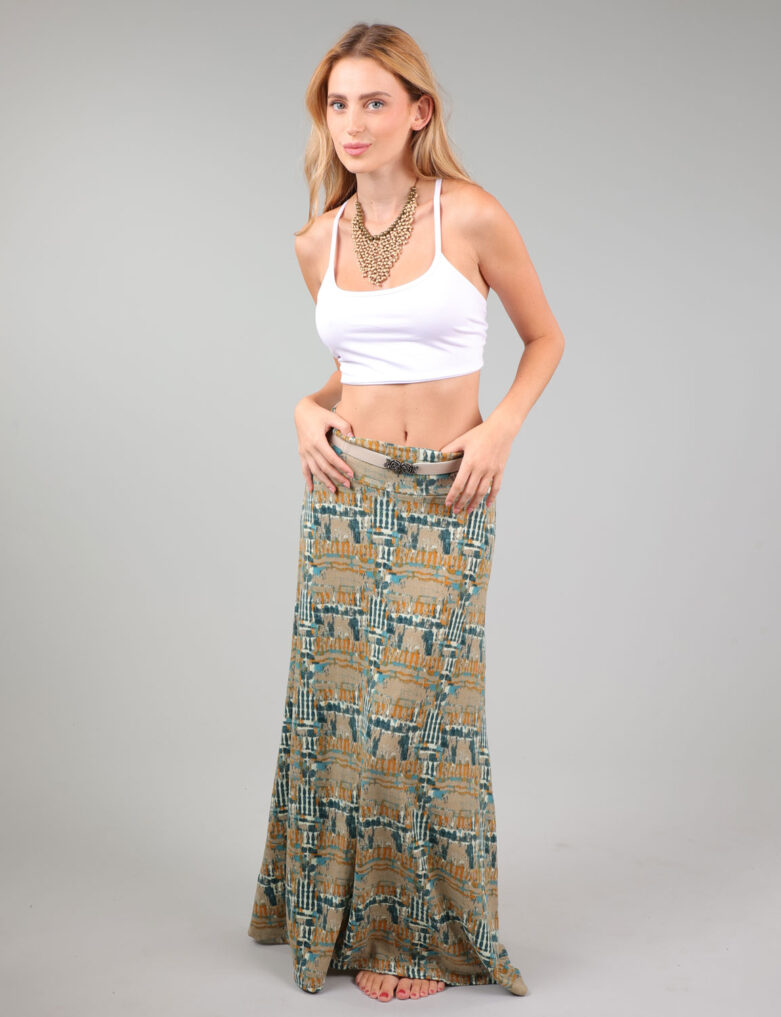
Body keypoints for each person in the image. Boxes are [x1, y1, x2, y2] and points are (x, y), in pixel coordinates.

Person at [247, 21, 564, 1002]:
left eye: (375, 101)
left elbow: (544, 338)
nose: (353, 121)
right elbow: (355, 371)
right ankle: (326, 910)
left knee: (409, 715)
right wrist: (304, 409)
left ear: (418, 112)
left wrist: (500, 428)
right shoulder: (317, 241)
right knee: (337, 710)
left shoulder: (468, 215)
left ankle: (415, 937)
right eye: (338, 103)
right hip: (344, 491)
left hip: (444, 490)